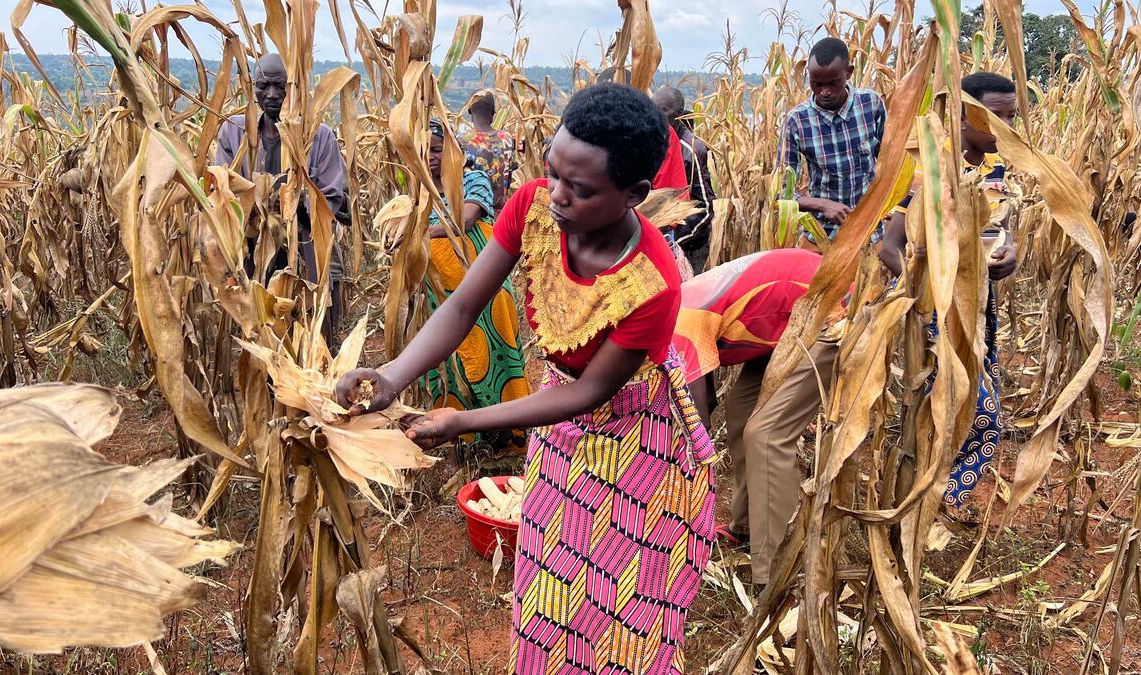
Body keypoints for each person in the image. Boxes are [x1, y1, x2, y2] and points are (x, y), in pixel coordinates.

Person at [334, 84, 715, 673]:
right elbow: (462, 307)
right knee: (549, 592)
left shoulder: (651, 280)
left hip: (638, 439)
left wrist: (463, 422)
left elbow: (591, 393)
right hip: (560, 425)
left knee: (620, 607)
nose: (556, 196)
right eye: (553, 172)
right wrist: (391, 373)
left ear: (634, 194)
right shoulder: (533, 207)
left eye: (580, 189)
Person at [878, 71, 1020, 508]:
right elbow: (889, 247)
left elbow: (1001, 231)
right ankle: (931, 495)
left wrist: (1009, 254)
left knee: (960, 410)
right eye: (996, 117)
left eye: (1012, 117)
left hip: (979, 309)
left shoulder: (997, 166)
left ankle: (930, 499)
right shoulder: (927, 171)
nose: (1007, 128)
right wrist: (928, 293)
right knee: (973, 413)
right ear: (962, 117)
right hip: (938, 313)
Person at [671, 248, 838, 587]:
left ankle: (776, 568)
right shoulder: (680, 308)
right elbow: (708, 397)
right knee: (741, 414)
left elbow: (697, 421)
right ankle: (747, 525)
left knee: (766, 434)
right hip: (785, 321)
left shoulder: (679, 323)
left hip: (830, 313)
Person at [215, 54, 347, 340]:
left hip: (308, 249)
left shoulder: (319, 136)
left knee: (315, 333)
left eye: (280, 86)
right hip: (256, 254)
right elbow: (221, 189)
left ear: (294, 88)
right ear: (253, 88)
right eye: (264, 86)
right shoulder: (235, 132)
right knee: (264, 335)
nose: (272, 95)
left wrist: (295, 201)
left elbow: (332, 199)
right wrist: (252, 205)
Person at [424, 119, 529, 452]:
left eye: (438, 150)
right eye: (425, 150)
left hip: (485, 292)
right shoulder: (420, 192)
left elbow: (466, 220)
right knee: (455, 364)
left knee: (497, 359)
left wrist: (419, 233)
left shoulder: (473, 180)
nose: (431, 157)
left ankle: (509, 438)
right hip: (442, 296)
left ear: (455, 151)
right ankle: (469, 439)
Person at [779, 37, 886, 244]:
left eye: (833, 83)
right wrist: (823, 205)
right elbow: (781, 194)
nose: (824, 92)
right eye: (816, 84)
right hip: (820, 237)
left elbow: (889, 163)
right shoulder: (797, 121)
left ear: (849, 73)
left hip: (870, 233)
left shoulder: (871, 105)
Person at [654, 86, 716, 274]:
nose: (657, 116)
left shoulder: (692, 150)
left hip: (689, 246)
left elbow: (705, 208)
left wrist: (672, 240)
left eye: (663, 111)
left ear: (679, 114)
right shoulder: (652, 142)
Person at [457, 91, 517, 211]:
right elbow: (510, 173)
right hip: (500, 213)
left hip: (475, 214)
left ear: (471, 114)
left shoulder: (462, 141)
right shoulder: (507, 138)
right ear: (492, 115)